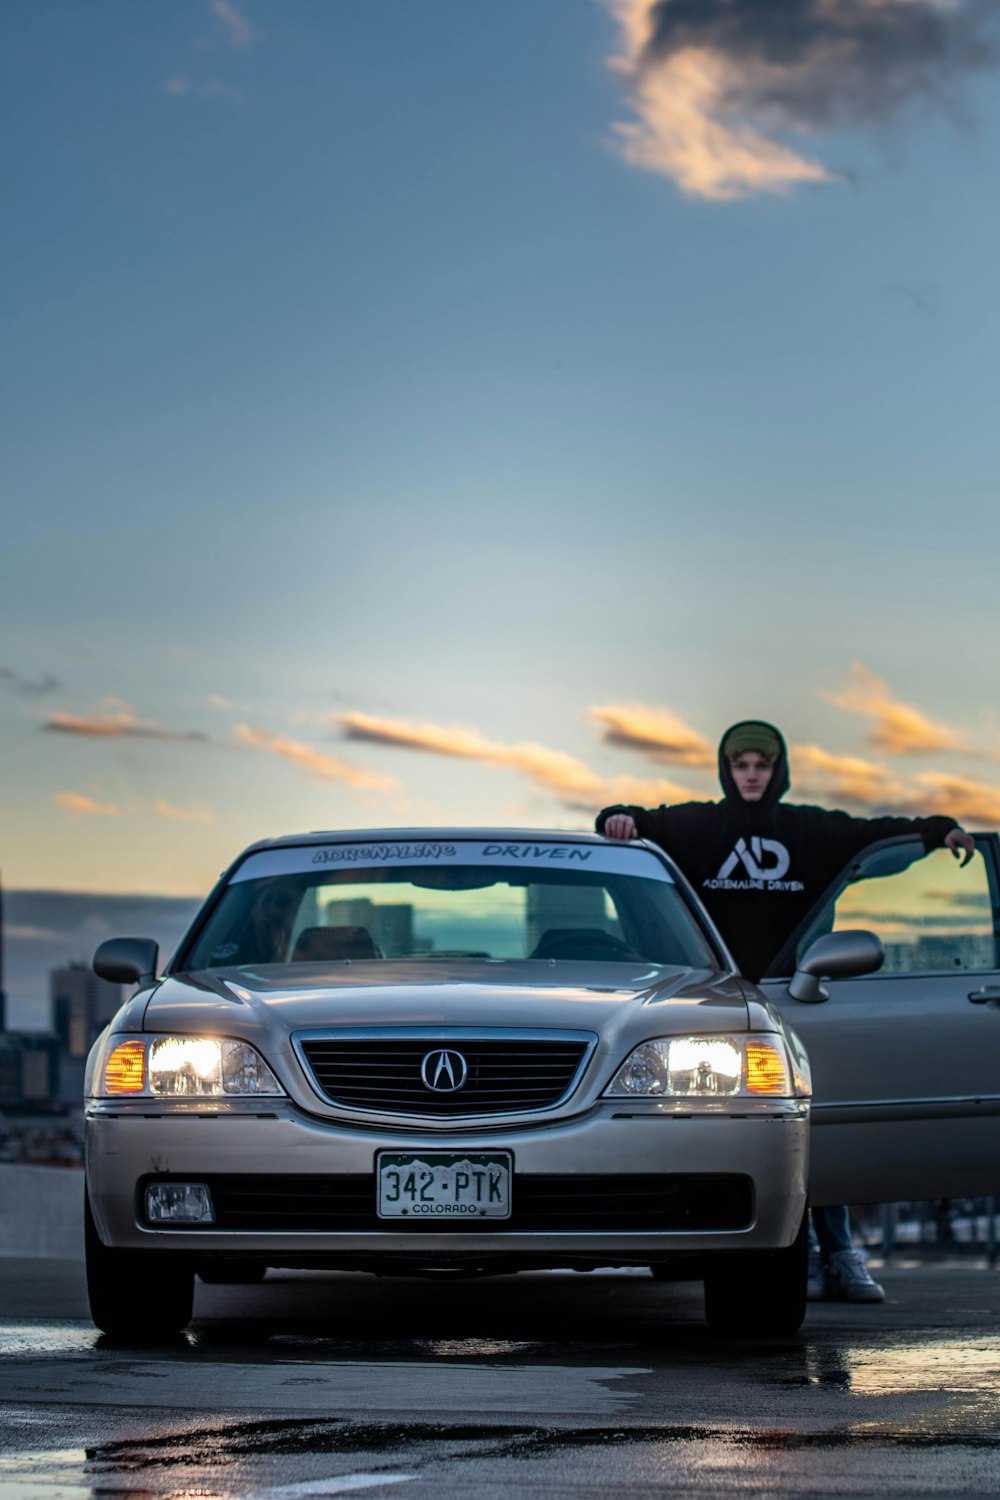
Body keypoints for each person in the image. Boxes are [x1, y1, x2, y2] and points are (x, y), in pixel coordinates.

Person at [597, 718, 975, 1303]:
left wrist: (938, 831)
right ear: (727, 769)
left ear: (779, 771)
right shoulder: (699, 825)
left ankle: (840, 1253)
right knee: (695, 1122)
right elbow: (633, 822)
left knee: (806, 1123)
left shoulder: (808, 831)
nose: (751, 776)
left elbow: (874, 835)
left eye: (762, 767)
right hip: (711, 1004)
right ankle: (687, 1240)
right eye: (742, 766)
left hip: (792, 998)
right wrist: (616, 818)